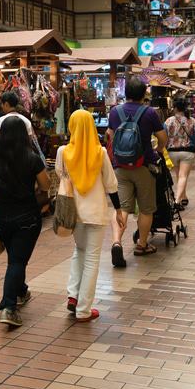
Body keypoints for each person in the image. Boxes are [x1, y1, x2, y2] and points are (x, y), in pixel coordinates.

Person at [0, 116, 51, 327]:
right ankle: (8, 307)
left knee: (15, 257)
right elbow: (46, 185)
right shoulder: (32, 158)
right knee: (17, 261)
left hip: (1, 217)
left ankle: (21, 290)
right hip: (26, 217)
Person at [58, 110, 119, 322]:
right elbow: (111, 184)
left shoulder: (63, 151)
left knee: (79, 251)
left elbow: (60, 175)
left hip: (73, 213)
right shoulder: (100, 153)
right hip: (96, 213)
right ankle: (84, 309)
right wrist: (119, 210)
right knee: (92, 258)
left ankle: (73, 295)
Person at [106, 77, 167, 263]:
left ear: (126, 93)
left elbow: (110, 135)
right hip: (144, 166)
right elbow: (162, 137)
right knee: (146, 209)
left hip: (120, 167)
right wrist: (158, 149)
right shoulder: (149, 113)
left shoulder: (115, 112)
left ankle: (116, 242)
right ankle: (142, 245)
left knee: (122, 207)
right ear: (143, 94)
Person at [164, 97, 195, 207]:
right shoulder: (192, 121)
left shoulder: (168, 121)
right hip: (188, 152)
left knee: (179, 176)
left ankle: (184, 197)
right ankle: (177, 201)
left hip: (172, 152)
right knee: (183, 176)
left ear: (175, 108)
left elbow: (164, 137)